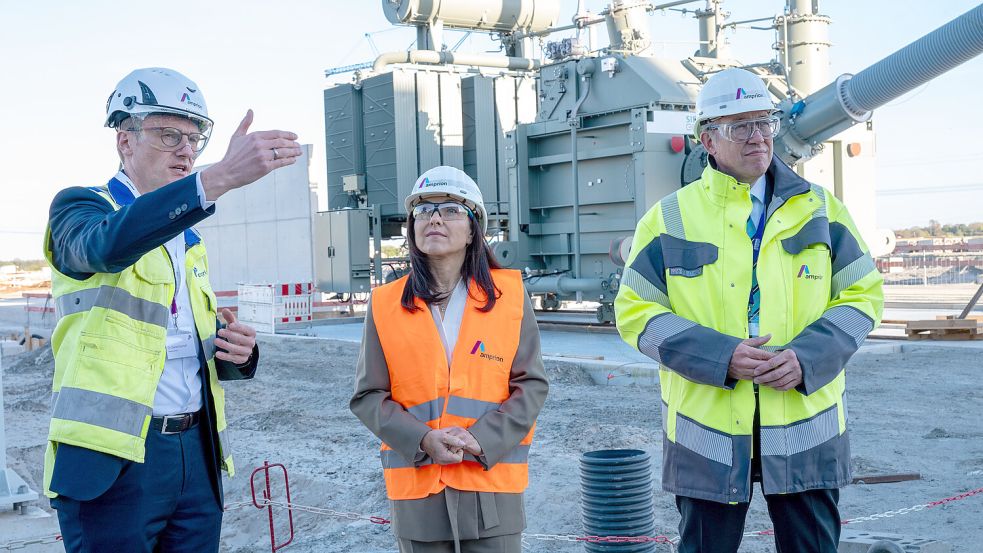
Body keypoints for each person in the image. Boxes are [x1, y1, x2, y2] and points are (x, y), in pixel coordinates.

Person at [614, 68, 883, 553]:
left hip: (805, 423)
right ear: (708, 140)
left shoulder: (821, 210)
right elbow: (635, 311)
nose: (758, 136)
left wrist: (806, 357)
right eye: (740, 126)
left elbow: (863, 295)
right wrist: (722, 357)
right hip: (708, 432)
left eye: (764, 121)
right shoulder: (669, 217)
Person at [43, 67, 302, 552]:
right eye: (169, 135)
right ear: (125, 141)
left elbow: (179, 344)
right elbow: (104, 247)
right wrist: (217, 177)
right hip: (112, 459)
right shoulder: (81, 209)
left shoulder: (188, 238)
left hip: (194, 454)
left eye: (194, 139)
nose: (186, 150)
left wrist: (237, 353)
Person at [351, 166, 549, 553]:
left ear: (475, 228)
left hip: (490, 485)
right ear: (411, 227)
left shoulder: (508, 297)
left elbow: (531, 384)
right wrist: (422, 438)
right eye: (423, 210)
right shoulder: (385, 304)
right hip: (418, 492)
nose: (435, 218)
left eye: (451, 209)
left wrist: (481, 439)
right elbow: (368, 396)